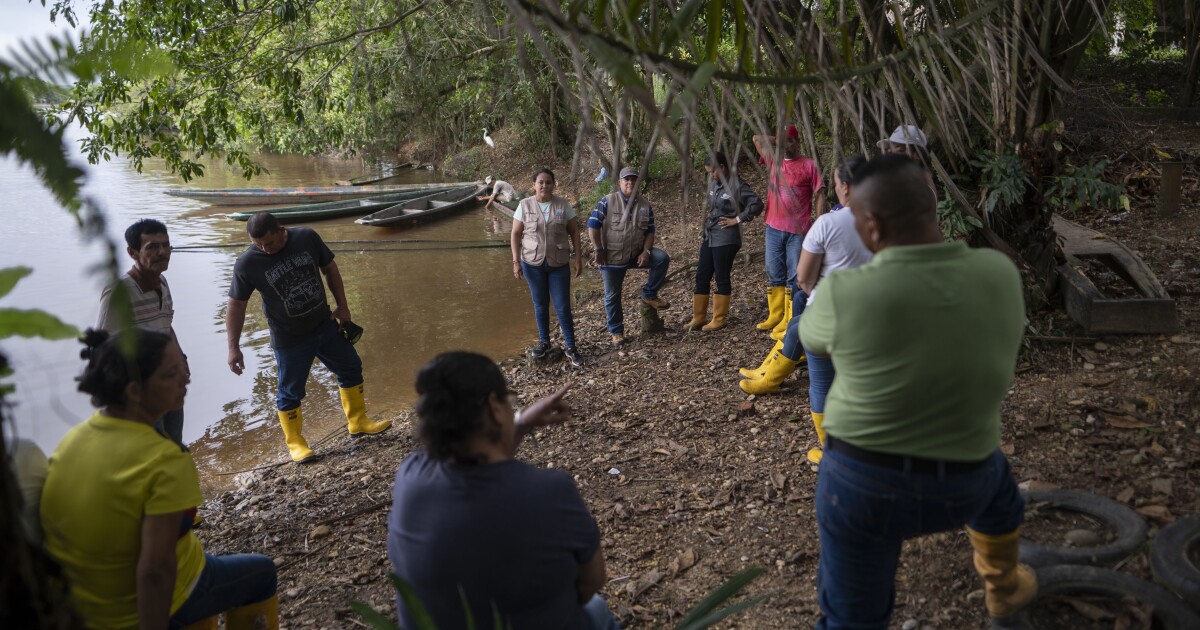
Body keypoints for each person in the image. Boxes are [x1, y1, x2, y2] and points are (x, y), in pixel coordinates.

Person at [799, 154, 1034, 629]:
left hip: (862, 486)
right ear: (932, 206)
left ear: (871, 226)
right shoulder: (999, 272)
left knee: (851, 615)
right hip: (967, 480)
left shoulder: (845, 292)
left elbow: (812, 339)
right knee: (1002, 495)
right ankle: (1003, 587)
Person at [40, 328, 278, 629]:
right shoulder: (165, 459)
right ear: (134, 391)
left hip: (83, 605)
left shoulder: (71, 440)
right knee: (262, 573)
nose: (186, 379)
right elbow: (155, 573)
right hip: (142, 608)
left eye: (183, 366)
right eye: (171, 374)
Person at [387, 352, 619, 630]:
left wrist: (519, 423)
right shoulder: (549, 491)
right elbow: (591, 582)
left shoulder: (409, 475)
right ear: (494, 407)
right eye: (509, 401)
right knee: (598, 610)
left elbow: (479, 460)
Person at [226, 213, 391, 463]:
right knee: (290, 392)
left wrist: (343, 307)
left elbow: (330, 270)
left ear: (282, 230)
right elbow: (236, 305)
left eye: (269, 243)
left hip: (324, 324)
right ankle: (296, 444)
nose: (265, 249)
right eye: (258, 244)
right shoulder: (248, 263)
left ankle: (358, 422)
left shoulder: (306, 237)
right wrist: (233, 348)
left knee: (350, 367)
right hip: (289, 338)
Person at [739, 157, 872, 465]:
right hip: (869, 318)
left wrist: (818, 293)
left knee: (823, 383)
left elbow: (803, 278)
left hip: (828, 318)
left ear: (846, 187)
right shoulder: (886, 221)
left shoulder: (828, 223)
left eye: (837, 184)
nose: (836, 189)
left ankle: (832, 450)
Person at [97, 219, 188, 444]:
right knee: (150, 450)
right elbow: (102, 345)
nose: (163, 252)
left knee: (174, 445)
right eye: (152, 247)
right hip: (141, 394)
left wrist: (181, 359)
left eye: (166, 245)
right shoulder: (119, 292)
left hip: (168, 384)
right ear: (133, 252)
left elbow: (165, 326)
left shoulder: (162, 282)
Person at [751, 125, 826, 341]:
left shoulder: (809, 165)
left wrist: (820, 222)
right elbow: (756, 138)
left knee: (795, 274)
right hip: (773, 226)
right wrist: (777, 138)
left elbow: (819, 193)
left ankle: (791, 318)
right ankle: (776, 315)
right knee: (774, 271)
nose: (786, 146)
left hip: (798, 229)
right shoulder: (774, 161)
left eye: (790, 141)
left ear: (798, 142)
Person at [587, 166, 670, 346]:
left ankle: (649, 294)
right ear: (620, 182)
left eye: (634, 180)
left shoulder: (645, 205)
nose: (630, 182)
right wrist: (598, 249)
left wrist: (646, 251)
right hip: (612, 257)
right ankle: (616, 332)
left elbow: (650, 231)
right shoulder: (607, 201)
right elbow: (592, 226)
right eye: (627, 180)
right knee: (612, 296)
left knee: (661, 258)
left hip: (636, 254)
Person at [511, 168, 584, 367]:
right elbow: (516, 234)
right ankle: (544, 342)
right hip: (532, 264)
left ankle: (571, 346)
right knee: (540, 304)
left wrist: (578, 259)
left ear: (554, 184)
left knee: (562, 306)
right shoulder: (524, 205)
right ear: (533, 185)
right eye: (540, 182)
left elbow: (574, 233)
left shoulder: (563, 205)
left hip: (559, 264)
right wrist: (516, 261)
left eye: (548, 182)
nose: (544, 186)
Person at [684, 152, 764, 332]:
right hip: (710, 234)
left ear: (723, 167)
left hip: (727, 237)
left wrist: (737, 219)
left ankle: (719, 319)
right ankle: (698, 317)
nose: (712, 175)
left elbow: (756, 204)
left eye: (714, 171)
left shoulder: (737, 185)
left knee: (721, 275)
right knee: (702, 273)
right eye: (709, 173)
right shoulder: (714, 183)